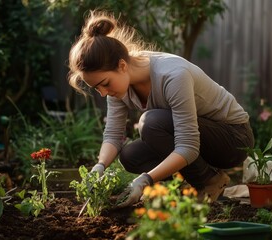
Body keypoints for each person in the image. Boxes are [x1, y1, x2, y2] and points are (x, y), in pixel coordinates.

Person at [67, 11, 254, 208]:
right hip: (200, 139)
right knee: (131, 155)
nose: (103, 93)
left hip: (233, 138)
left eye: (104, 84)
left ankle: (210, 181)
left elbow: (188, 146)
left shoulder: (172, 75)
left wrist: (145, 180)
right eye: (97, 88)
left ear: (122, 66)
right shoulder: (118, 86)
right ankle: (184, 188)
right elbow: (113, 135)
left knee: (151, 123)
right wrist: (100, 166)